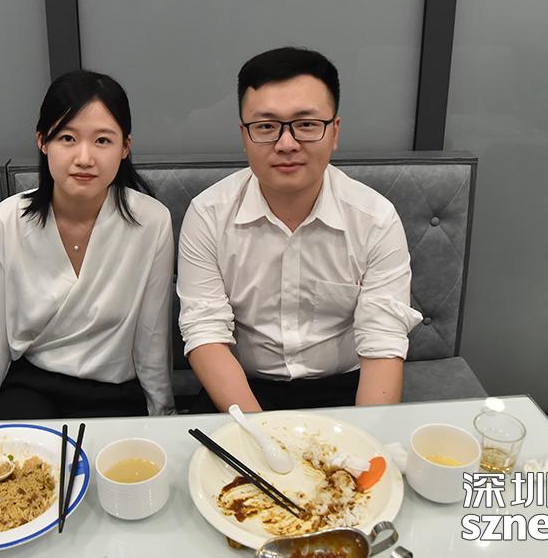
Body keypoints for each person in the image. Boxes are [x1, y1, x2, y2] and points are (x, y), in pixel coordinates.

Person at [178, 46, 423, 413]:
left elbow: (382, 340)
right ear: (244, 135)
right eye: (266, 127)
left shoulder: (375, 219)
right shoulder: (208, 215)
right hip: (242, 387)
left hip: (343, 385)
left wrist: (367, 437)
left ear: (334, 131)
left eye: (306, 125)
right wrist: (263, 434)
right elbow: (205, 331)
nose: (286, 144)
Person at [0, 71, 175, 420]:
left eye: (103, 140)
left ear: (125, 147)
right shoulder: (6, 221)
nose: (84, 157)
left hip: (116, 389)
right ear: (43, 141)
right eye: (67, 138)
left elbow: (152, 335)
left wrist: (162, 415)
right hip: (33, 385)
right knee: (15, 451)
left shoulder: (152, 221)